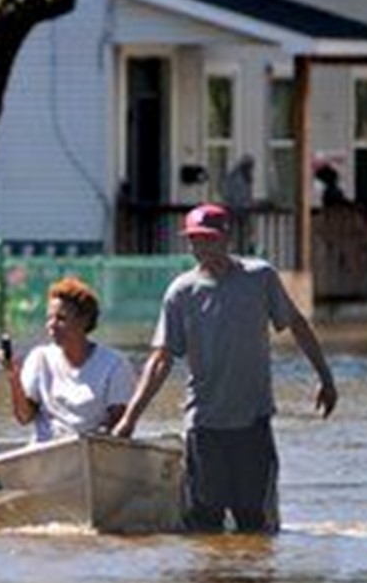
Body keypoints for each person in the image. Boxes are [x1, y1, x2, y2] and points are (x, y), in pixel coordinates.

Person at [113, 204, 337, 533]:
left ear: (226, 238)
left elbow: (296, 324)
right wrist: (129, 419)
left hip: (252, 420)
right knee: (204, 523)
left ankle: (248, 565)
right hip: (204, 424)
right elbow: (161, 359)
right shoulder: (181, 293)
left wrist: (325, 377)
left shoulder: (259, 278)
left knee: (255, 524)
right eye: (194, 240)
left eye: (208, 238)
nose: (201, 247)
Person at [0, 277, 137, 442]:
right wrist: (13, 377)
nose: (51, 325)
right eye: (49, 318)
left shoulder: (114, 364)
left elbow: (119, 426)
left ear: (84, 320)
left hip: (93, 448)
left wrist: (92, 440)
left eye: (61, 318)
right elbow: (24, 418)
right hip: (46, 449)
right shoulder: (39, 358)